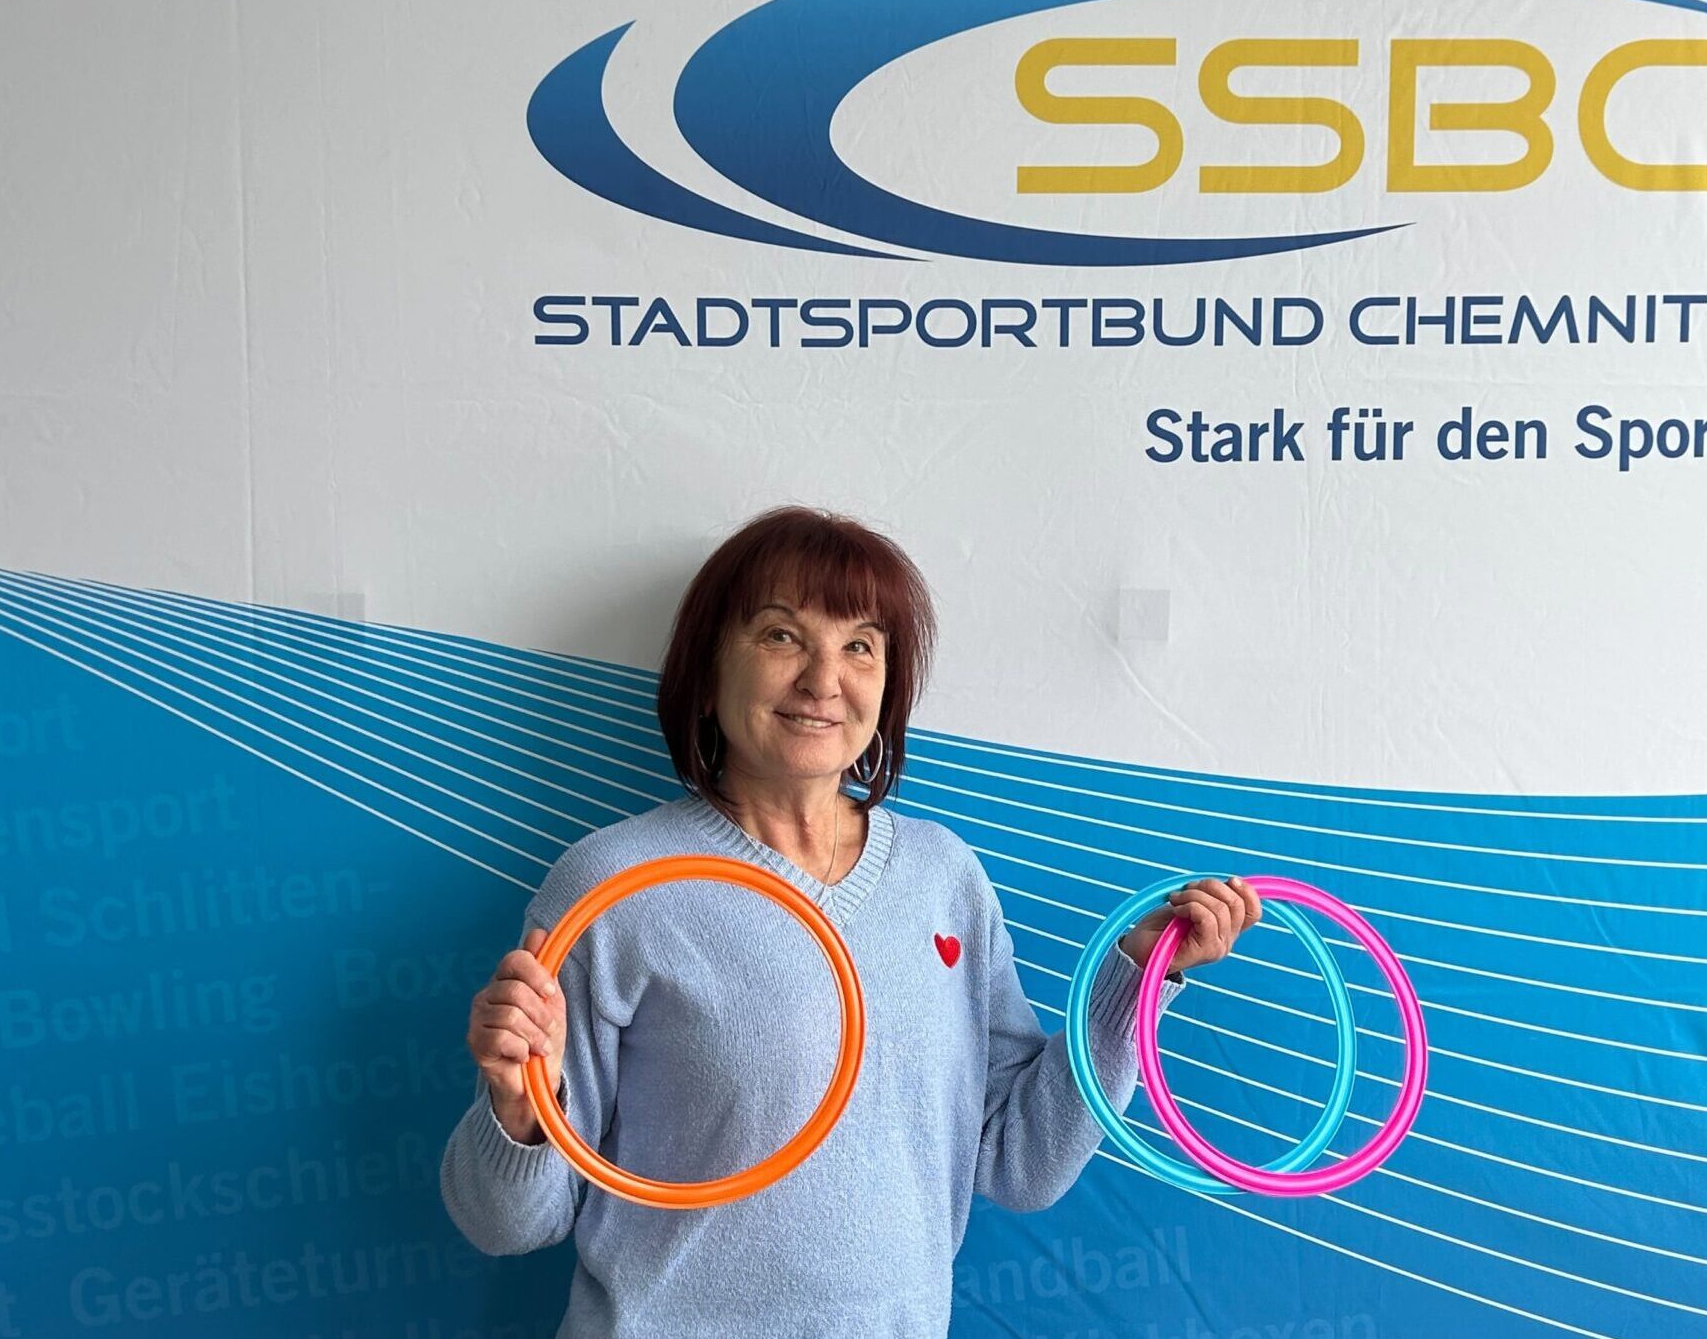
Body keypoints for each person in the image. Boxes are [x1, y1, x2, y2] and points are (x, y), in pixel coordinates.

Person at [440, 506, 1261, 1337]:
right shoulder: (612, 886)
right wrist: (518, 1110)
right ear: (708, 671)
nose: (824, 679)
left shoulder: (944, 878)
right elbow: (504, 1223)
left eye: (861, 646)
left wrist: (1136, 980)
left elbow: (1022, 1162)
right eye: (782, 636)